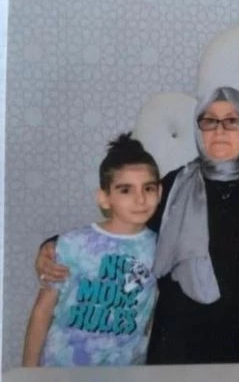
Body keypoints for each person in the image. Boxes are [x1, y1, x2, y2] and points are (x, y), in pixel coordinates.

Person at [36, 86, 239, 364]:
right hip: (179, 339)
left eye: (231, 121)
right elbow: (125, 222)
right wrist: (52, 246)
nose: (219, 130)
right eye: (209, 121)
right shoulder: (175, 185)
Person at [22, 133, 161, 366]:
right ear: (104, 198)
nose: (140, 199)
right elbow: (42, 311)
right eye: (125, 190)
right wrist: (28, 372)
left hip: (126, 371)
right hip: (61, 369)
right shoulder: (72, 244)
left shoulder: (162, 247)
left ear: (160, 193)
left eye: (148, 188)